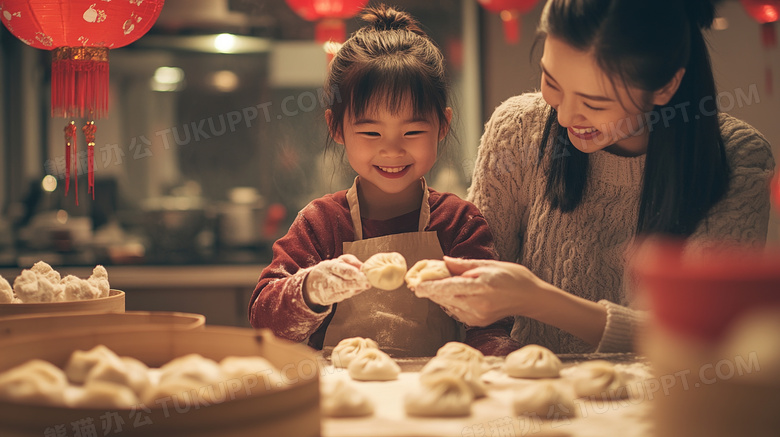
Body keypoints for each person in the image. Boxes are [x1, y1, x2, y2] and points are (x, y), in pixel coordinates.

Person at [414, 0, 776, 355]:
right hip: (530, 395)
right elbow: (478, 295)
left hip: (664, 406)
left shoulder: (737, 158)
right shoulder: (518, 130)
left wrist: (538, 300)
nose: (568, 116)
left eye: (595, 103)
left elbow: (700, 336)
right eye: (552, 82)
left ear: (665, 86)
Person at [248, 5, 496, 357]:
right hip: (342, 399)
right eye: (370, 131)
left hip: (432, 397)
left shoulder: (459, 223)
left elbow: (491, 329)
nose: (392, 150)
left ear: (443, 125)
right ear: (336, 128)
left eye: (412, 130)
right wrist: (311, 288)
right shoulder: (321, 224)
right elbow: (265, 321)